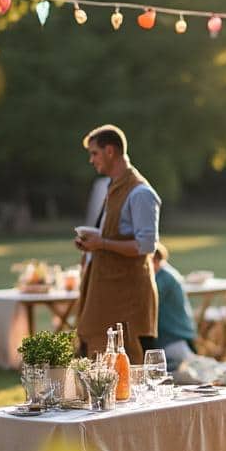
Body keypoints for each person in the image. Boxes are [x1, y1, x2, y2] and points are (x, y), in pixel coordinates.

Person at [74, 125, 161, 363]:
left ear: (110, 151)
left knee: (127, 364)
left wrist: (101, 243)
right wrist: (92, 244)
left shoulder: (140, 193)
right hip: (106, 294)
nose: (91, 160)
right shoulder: (113, 186)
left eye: (94, 153)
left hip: (128, 298)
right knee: (98, 361)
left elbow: (146, 246)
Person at [152, 242, 198, 372]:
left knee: (189, 371)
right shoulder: (166, 273)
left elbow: (148, 302)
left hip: (174, 338)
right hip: (176, 336)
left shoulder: (164, 277)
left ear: (155, 260)